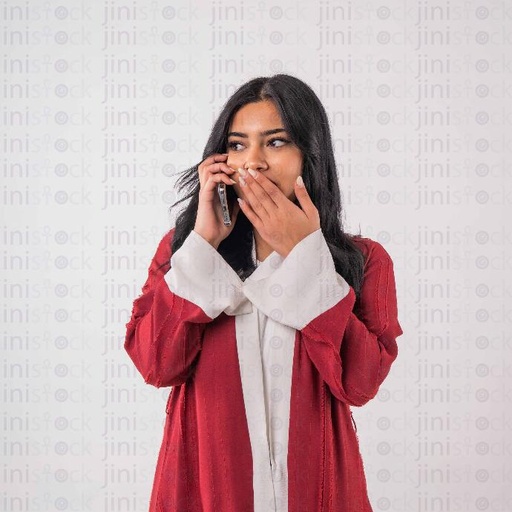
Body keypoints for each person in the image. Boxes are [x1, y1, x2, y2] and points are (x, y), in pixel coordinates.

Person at [124, 74, 403, 512]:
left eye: (275, 142)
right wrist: (203, 243)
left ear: (309, 155)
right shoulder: (185, 250)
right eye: (237, 145)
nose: (252, 161)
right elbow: (156, 363)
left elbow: (359, 383)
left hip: (319, 493)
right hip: (203, 490)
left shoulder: (364, 260)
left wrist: (305, 256)